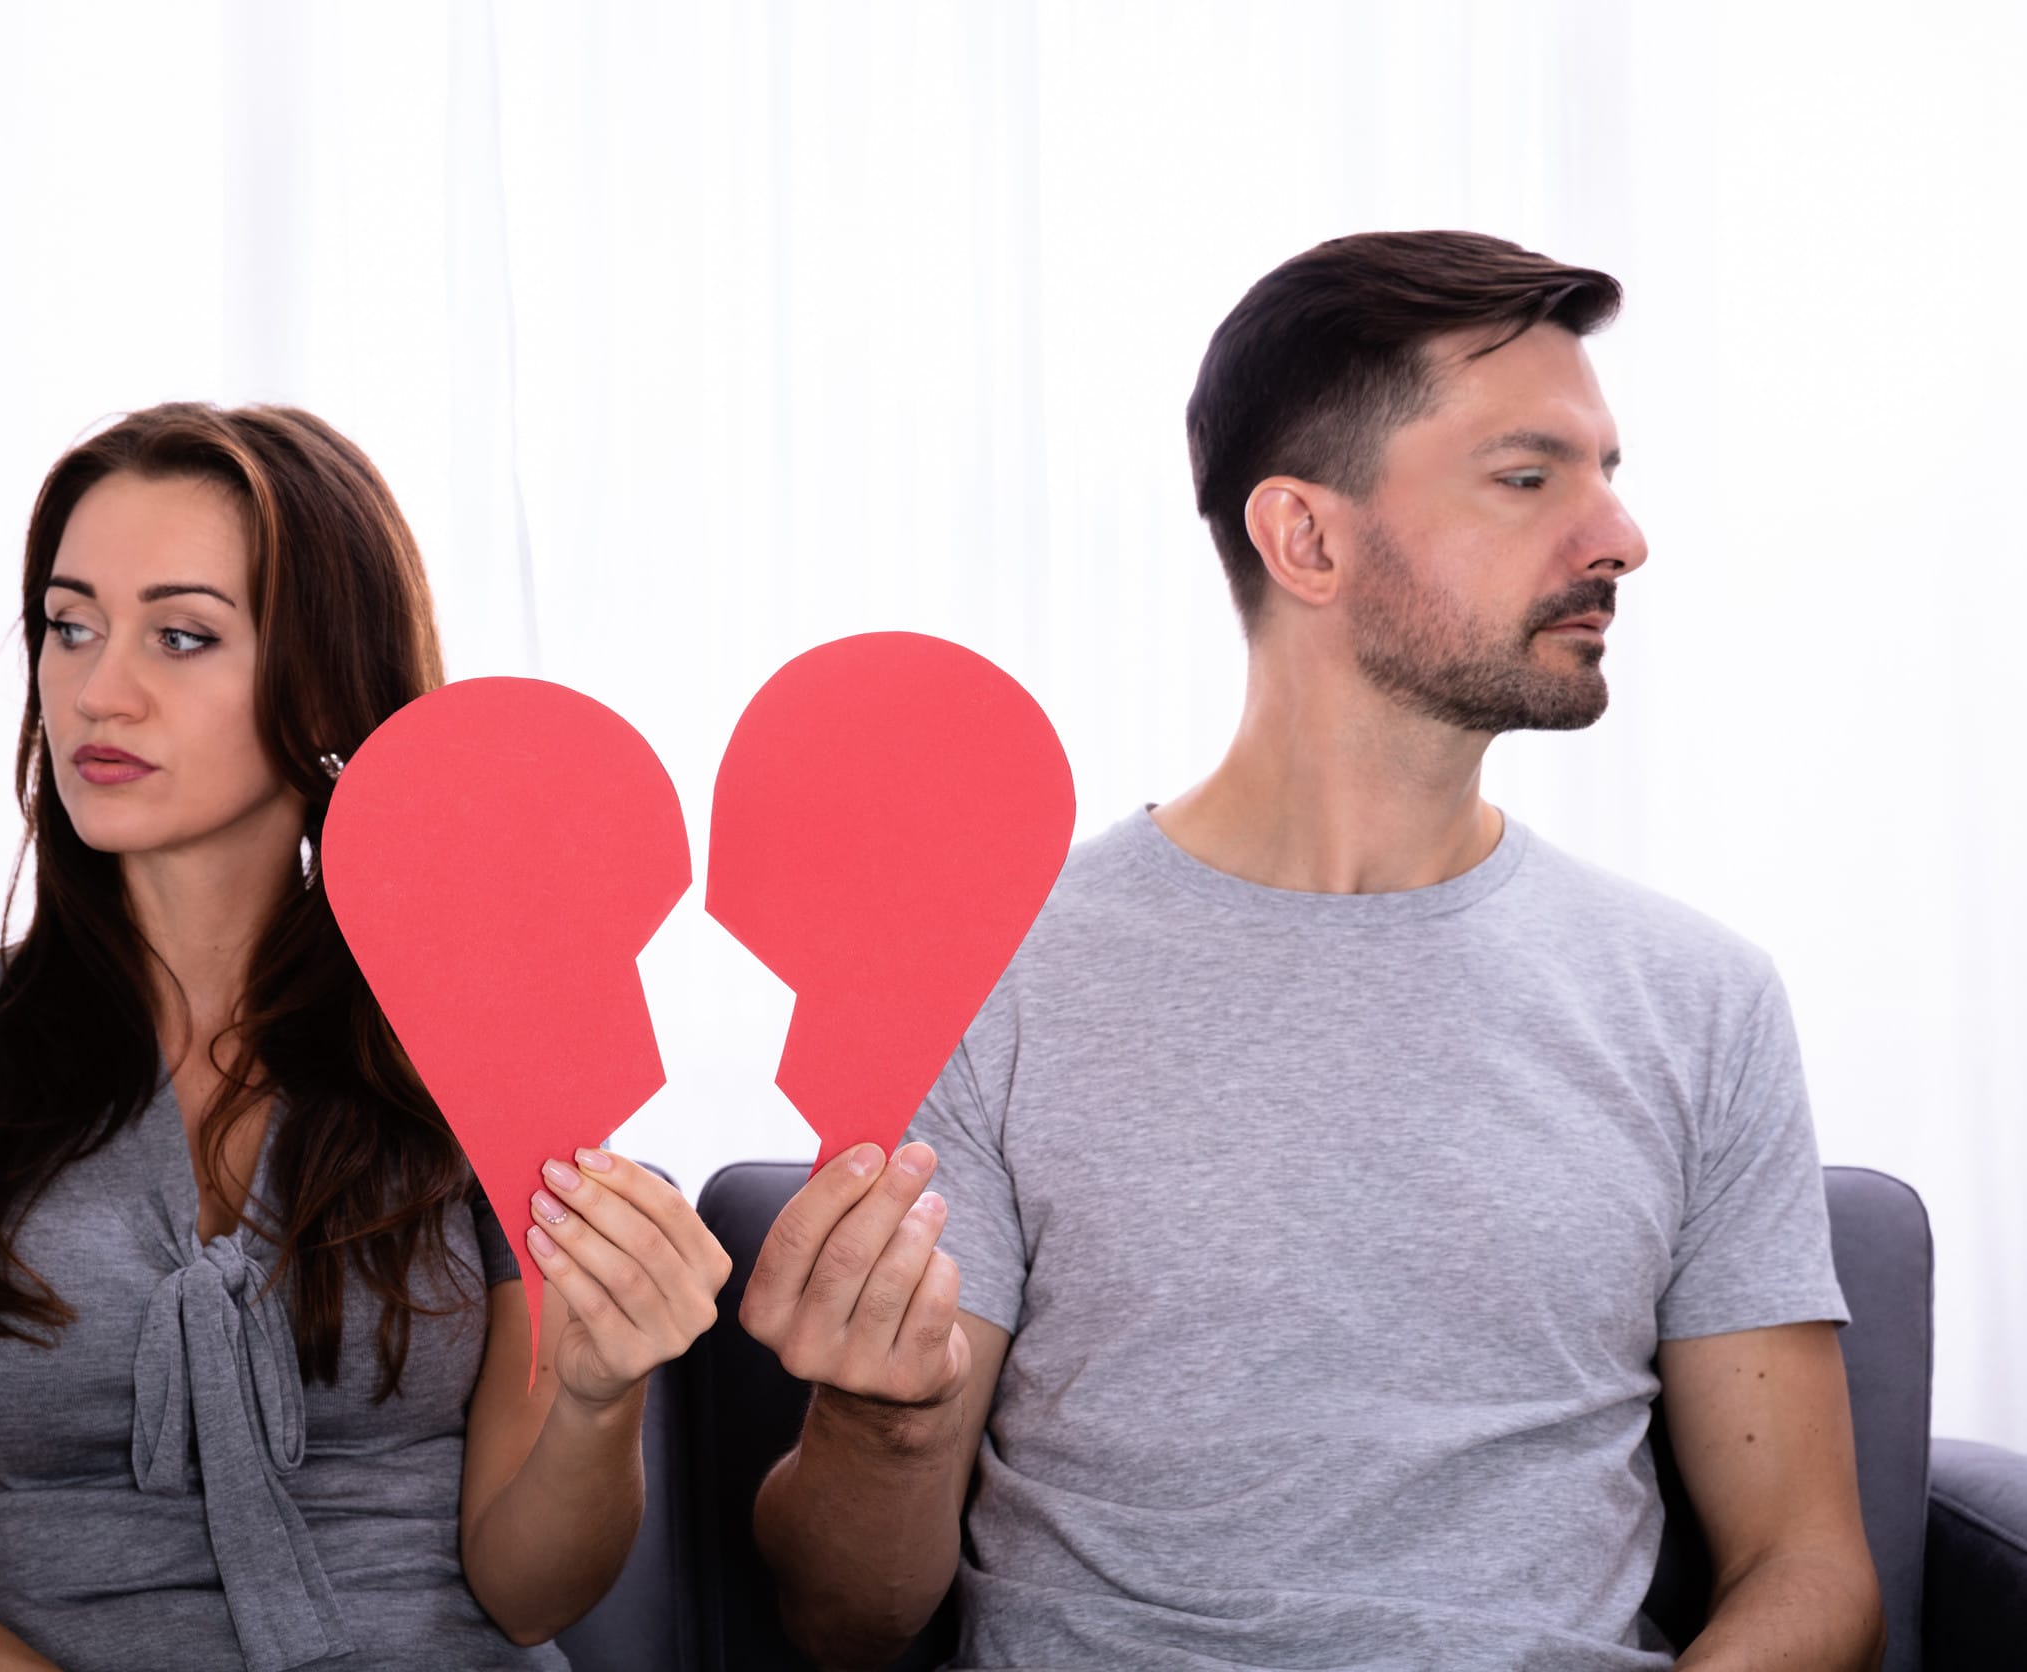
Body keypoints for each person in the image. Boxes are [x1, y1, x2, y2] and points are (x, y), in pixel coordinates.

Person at [741, 232, 1884, 1670]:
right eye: (1529, 478)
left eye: (1608, 472)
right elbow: (847, 1622)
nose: (1620, 537)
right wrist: (882, 1425)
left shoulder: (1700, 999)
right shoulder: (986, 981)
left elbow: (1811, 1569)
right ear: (1307, 540)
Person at [0, 402, 731, 1671]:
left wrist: (601, 1403)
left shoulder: (488, 1035)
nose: (98, 692)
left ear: (324, 680)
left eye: (181, 636)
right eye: (69, 625)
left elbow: (527, 1591)